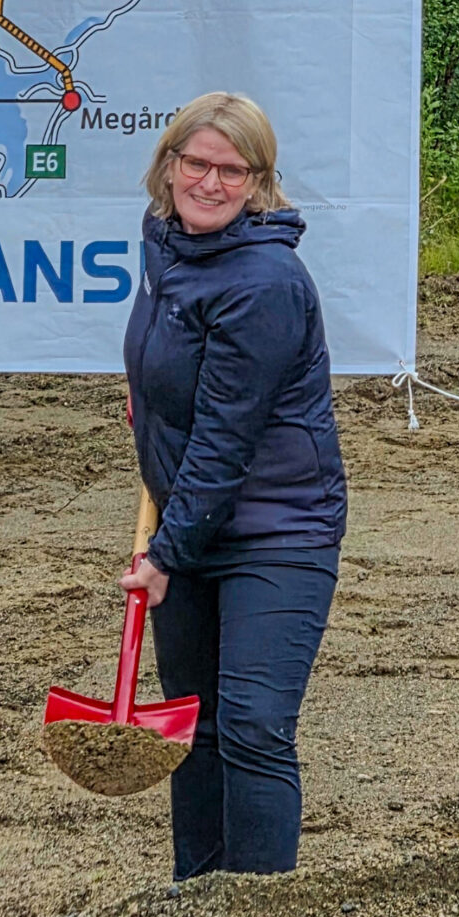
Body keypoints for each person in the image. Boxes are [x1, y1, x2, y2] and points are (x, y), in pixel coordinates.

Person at [120, 92, 347, 876]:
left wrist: (163, 555)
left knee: (251, 726)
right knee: (200, 726)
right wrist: (149, 403)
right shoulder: (168, 250)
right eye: (196, 163)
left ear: (258, 183)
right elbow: (181, 380)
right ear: (169, 166)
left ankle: (258, 912)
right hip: (192, 524)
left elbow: (225, 440)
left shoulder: (265, 281)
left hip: (276, 534)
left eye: (230, 170)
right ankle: (198, 897)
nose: (209, 183)